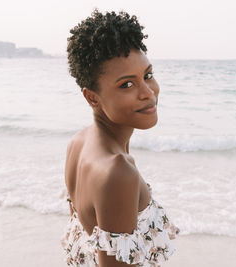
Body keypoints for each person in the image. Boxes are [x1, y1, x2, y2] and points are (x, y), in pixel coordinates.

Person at [61, 9, 180, 266]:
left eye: (147, 75)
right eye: (127, 84)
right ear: (92, 97)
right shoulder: (117, 172)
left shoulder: (78, 144)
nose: (148, 92)